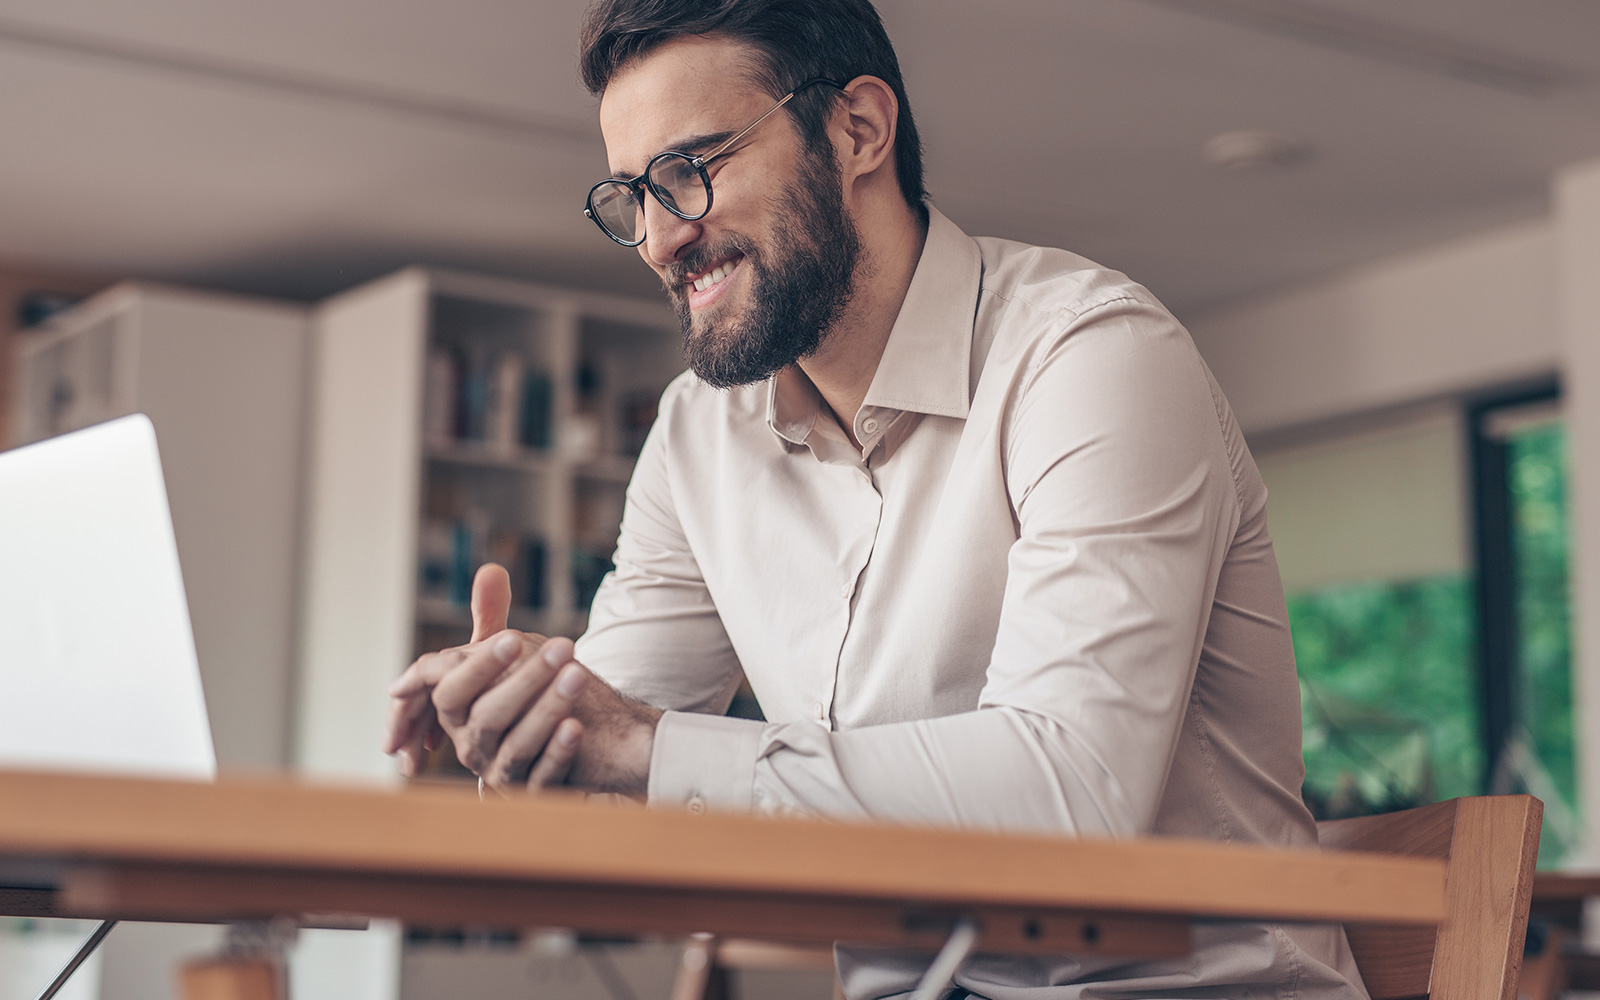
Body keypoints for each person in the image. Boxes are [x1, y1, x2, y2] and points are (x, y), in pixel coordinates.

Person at [384, 1, 1368, 997]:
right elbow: (613, 782)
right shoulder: (697, 435)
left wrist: (631, 745)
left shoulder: (1091, 355)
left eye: (690, 169)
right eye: (633, 196)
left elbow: (1073, 796)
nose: (658, 238)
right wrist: (526, 734)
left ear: (858, 128)